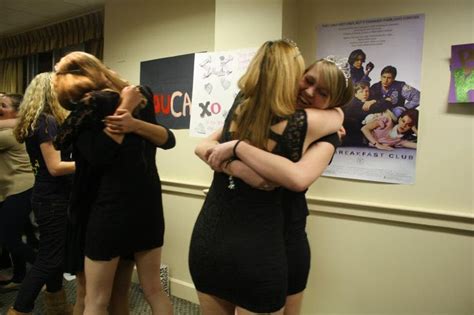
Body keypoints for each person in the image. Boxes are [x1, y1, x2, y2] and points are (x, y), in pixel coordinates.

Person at [189, 40, 347, 315]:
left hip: (279, 236)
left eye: (322, 92)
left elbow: (298, 178)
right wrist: (235, 167)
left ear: (333, 101)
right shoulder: (259, 111)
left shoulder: (248, 106)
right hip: (254, 241)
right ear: (297, 75)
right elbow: (204, 146)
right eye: (307, 81)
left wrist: (237, 149)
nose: (309, 92)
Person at [53, 51, 175, 315]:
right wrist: (128, 113)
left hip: (109, 209)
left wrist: (129, 118)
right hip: (146, 205)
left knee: (96, 299)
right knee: (149, 290)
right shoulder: (134, 98)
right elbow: (166, 140)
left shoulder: (102, 106)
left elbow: (166, 140)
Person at [8, 73, 75, 315]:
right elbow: (56, 167)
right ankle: (19, 308)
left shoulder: (37, 121)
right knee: (48, 258)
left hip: (49, 196)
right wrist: (88, 162)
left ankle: (57, 307)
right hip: (53, 199)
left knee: (55, 256)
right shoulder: (47, 122)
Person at [0, 94, 36, 291]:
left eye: (3, 105)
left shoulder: (9, 133)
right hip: (11, 189)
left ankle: (46, 270)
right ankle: (20, 276)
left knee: (10, 239)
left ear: (16, 112)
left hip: (19, 189)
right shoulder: (14, 127)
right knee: (13, 236)